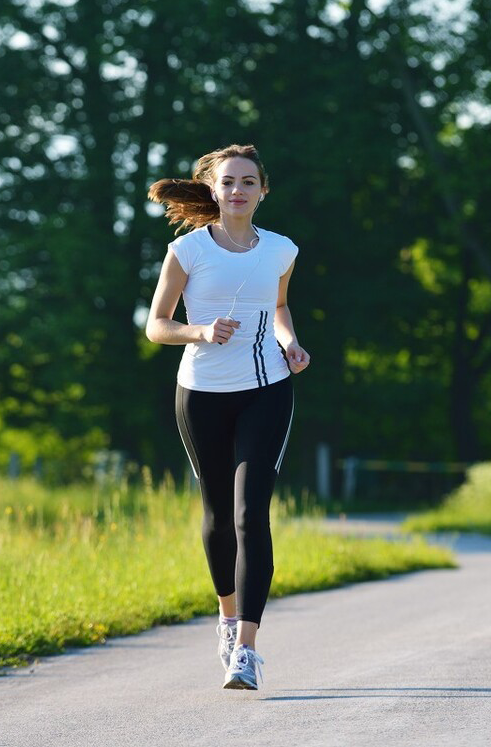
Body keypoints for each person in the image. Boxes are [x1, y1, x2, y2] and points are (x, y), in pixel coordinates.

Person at [145, 144, 310, 689]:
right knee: (217, 514)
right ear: (213, 191)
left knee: (249, 515)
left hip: (267, 389)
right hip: (201, 392)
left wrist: (290, 343)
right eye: (228, 182)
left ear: (263, 190)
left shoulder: (281, 250)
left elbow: (279, 306)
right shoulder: (188, 252)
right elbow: (157, 326)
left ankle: (247, 649)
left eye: (248, 182)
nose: (237, 190)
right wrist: (200, 331)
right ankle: (226, 616)